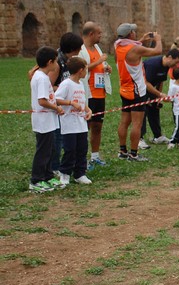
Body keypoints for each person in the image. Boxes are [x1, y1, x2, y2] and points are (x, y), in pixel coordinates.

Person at [114, 23, 162, 161]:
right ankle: (134, 154)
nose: (135, 33)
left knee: (124, 122)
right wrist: (157, 39)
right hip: (137, 91)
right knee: (137, 124)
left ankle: (122, 151)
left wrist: (141, 40)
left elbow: (131, 47)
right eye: (134, 31)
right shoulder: (135, 49)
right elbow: (157, 51)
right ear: (130, 34)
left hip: (124, 89)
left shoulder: (117, 46)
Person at [29, 47, 65, 193]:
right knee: (43, 151)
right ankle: (36, 180)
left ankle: (48, 176)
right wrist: (56, 108)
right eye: (55, 61)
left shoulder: (40, 76)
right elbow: (42, 101)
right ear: (50, 62)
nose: (57, 64)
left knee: (50, 149)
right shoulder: (42, 78)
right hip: (43, 120)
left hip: (48, 120)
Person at [79, 22, 112, 170]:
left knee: (98, 126)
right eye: (99, 33)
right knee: (85, 127)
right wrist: (99, 62)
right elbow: (81, 69)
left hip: (100, 93)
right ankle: (82, 159)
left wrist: (105, 67)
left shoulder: (97, 48)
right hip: (88, 94)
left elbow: (99, 65)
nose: (101, 36)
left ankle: (95, 156)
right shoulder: (80, 49)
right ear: (91, 34)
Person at [55, 57, 93, 185]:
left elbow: (82, 101)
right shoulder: (66, 84)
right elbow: (56, 99)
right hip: (69, 124)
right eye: (86, 69)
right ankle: (65, 173)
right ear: (80, 70)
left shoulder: (81, 84)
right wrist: (70, 103)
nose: (86, 72)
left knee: (82, 149)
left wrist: (88, 110)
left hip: (81, 124)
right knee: (70, 149)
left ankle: (80, 174)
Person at [139, 49, 179, 147]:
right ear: (170, 57)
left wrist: (158, 97)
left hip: (150, 88)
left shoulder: (166, 66)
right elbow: (145, 83)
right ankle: (139, 138)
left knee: (154, 108)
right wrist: (159, 94)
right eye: (175, 62)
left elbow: (161, 80)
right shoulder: (152, 64)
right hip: (140, 87)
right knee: (142, 111)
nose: (176, 66)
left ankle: (158, 136)